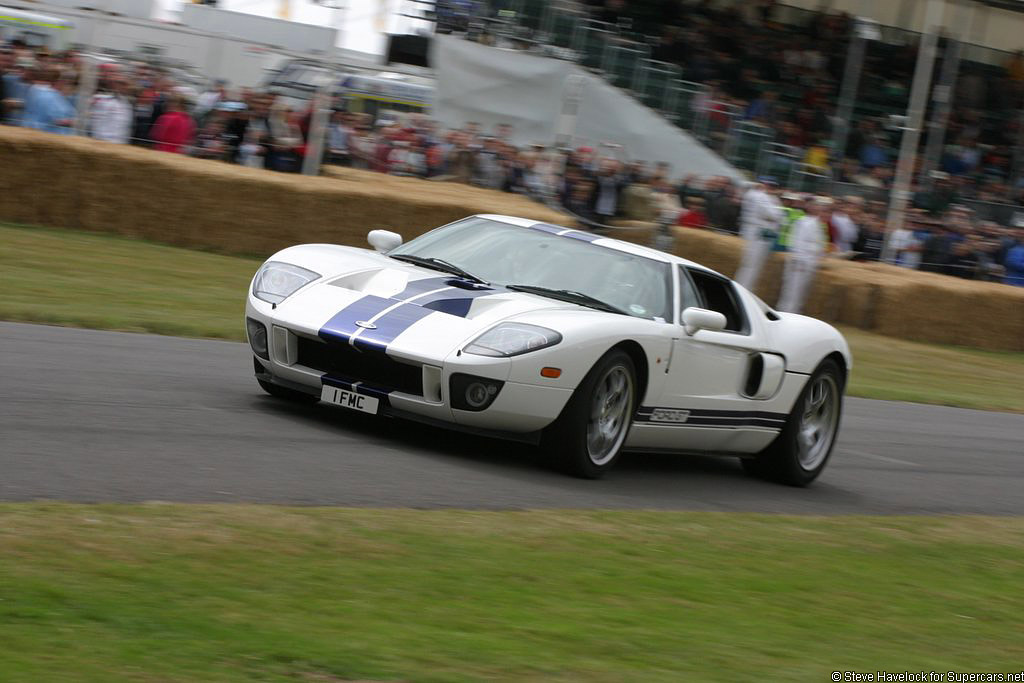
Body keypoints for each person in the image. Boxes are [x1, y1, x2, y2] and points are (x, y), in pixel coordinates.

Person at [777, 196, 830, 313]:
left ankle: (791, 315)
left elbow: (816, 245)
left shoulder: (816, 224)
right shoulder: (804, 222)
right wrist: (798, 262)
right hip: (800, 263)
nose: (824, 213)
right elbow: (797, 243)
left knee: (799, 294)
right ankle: (787, 315)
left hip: (808, 263)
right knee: (792, 294)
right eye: (821, 209)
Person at [734, 179, 783, 291]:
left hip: (755, 233)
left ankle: (742, 289)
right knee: (752, 267)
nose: (772, 189)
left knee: (749, 266)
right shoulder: (761, 197)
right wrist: (777, 212)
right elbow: (775, 215)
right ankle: (743, 291)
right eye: (770, 186)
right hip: (758, 235)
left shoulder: (753, 194)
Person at [22, 66, 75, 134]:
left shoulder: (35, 91)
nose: (66, 84)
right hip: (47, 134)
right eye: (66, 81)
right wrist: (74, 122)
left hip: (36, 131)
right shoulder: (49, 96)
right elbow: (57, 120)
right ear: (59, 81)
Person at [90, 76, 133, 144]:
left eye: (126, 84)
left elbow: (126, 128)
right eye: (120, 83)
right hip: (103, 142)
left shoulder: (127, 104)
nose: (123, 87)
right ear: (115, 85)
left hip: (120, 145)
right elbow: (95, 122)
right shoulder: (103, 100)